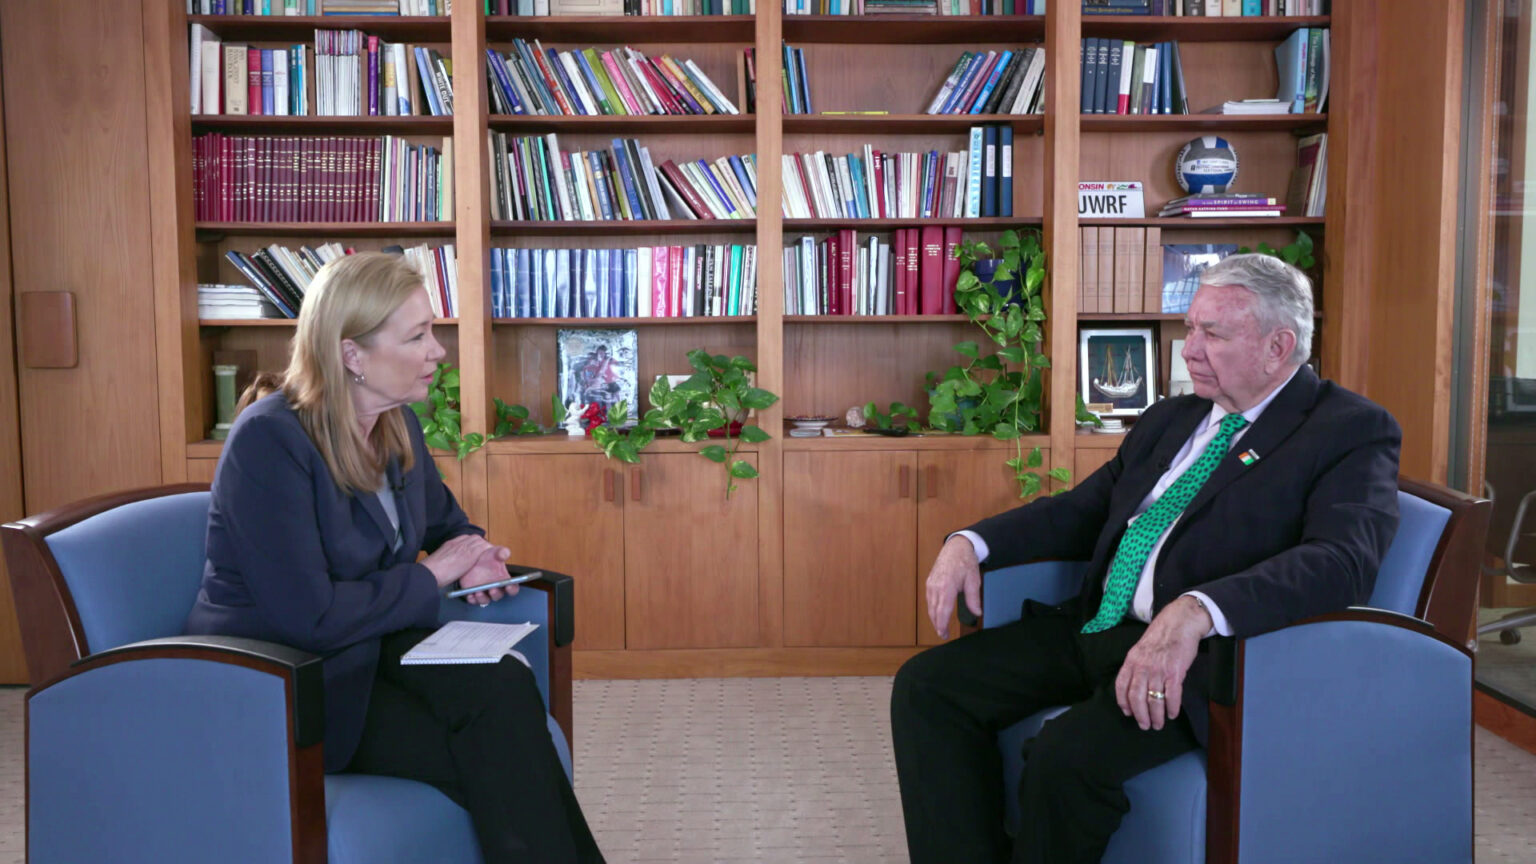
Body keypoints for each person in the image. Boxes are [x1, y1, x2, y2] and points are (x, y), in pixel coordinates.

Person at [891, 254, 1402, 864]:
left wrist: (1198, 610)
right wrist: (969, 542)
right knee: (928, 688)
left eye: (1213, 333)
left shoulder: (1348, 430)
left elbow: (1341, 560)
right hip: (1099, 626)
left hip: (1199, 661)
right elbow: (1082, 510)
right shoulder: (1173, 417)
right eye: (1190, 328)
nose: (1189, 350)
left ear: (1278, 346)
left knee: (1066, 760)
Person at [185, 252, 604, 864]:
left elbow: (445, 522)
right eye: (418, 335)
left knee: (504, 686)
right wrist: (433, 573)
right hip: (287, 682)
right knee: (499, 756)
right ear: (352, 355)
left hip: (370, 650)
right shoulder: (269, 441)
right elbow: (311, 618)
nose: (438, 349)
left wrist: (479, 554)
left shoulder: (393, 422)